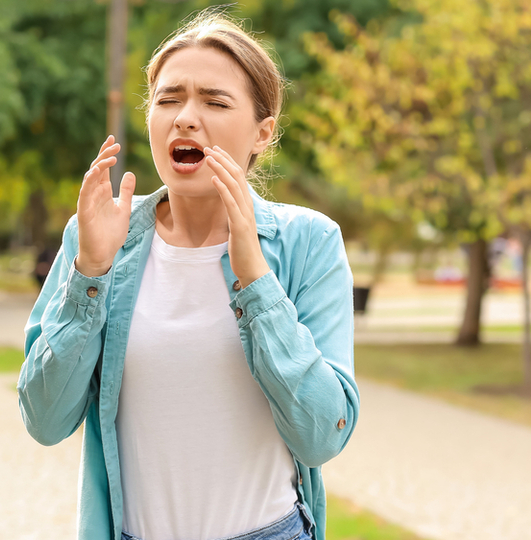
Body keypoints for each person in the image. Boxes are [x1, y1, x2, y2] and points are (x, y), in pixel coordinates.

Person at [19, 11, 358, 540]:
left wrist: (256, 281)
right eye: (169, 99)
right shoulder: (96, 237)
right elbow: (44, 420)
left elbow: (322, 436)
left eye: (215, 102)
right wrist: (90, 271)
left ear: (262, 134)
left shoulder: (308, 243)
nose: (185, 118)